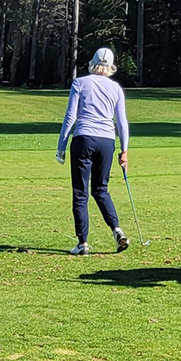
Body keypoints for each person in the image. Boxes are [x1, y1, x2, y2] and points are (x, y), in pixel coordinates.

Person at [56, 46, 130, 255]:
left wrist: (61, 145)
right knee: (101, 189)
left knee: (81, 193)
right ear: (111, 66)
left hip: (84, 139)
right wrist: (124, 151)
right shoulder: (116, 89)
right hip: (106, 142)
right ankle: (117, 230)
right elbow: (122, 122)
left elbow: (71, 117)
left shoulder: (80, 83)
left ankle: (83, 244)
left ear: (93, 63)